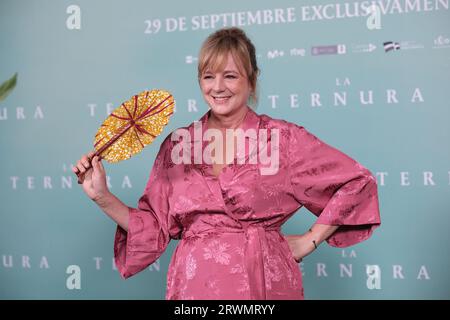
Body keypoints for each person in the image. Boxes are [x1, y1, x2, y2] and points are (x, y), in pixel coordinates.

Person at [73, 27, 380, 300]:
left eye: (230, 75)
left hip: (264, 284)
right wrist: (102, 196)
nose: (217, 87)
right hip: (193, 288)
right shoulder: (177, 145)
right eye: (208, 76)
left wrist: (309, 241)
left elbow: (356, 182)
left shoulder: (282, 139)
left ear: (252, 79)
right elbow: (154, 229)